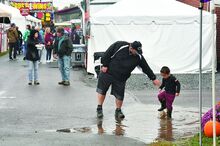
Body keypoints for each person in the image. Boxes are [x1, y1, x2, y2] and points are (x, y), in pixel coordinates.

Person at [96, 41, 160, 119]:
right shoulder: (120, 45)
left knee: (120, 96)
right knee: (102, 90)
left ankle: (118, 110)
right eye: (136, 51)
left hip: (121, 77)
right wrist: (105, 65)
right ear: (131, 48)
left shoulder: (139, 56)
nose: (137, 53)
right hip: (108, 72)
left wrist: (153, 78)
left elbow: (145, 68)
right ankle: (99, 108)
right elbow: (108, 53)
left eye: (139, 51)